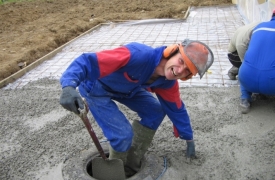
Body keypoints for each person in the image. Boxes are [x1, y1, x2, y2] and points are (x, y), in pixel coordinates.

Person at [59, 39, 214, 177]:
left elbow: (176, 109)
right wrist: (68, 86)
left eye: (187, 70)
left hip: (128, 90)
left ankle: (131, 162)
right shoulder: (137, 55)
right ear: (172, 51)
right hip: (97, 88)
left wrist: (188, 137)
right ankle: (114, 173)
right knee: (122, 135)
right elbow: (88, 61)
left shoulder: (167, 82)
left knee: (156, 111)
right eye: (181, 61)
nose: (179, 70)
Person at [238, 10, 275, 114]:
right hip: (272, 83)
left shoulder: (259, 27)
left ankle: (245, 98)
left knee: (248, 65)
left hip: (246, 79)